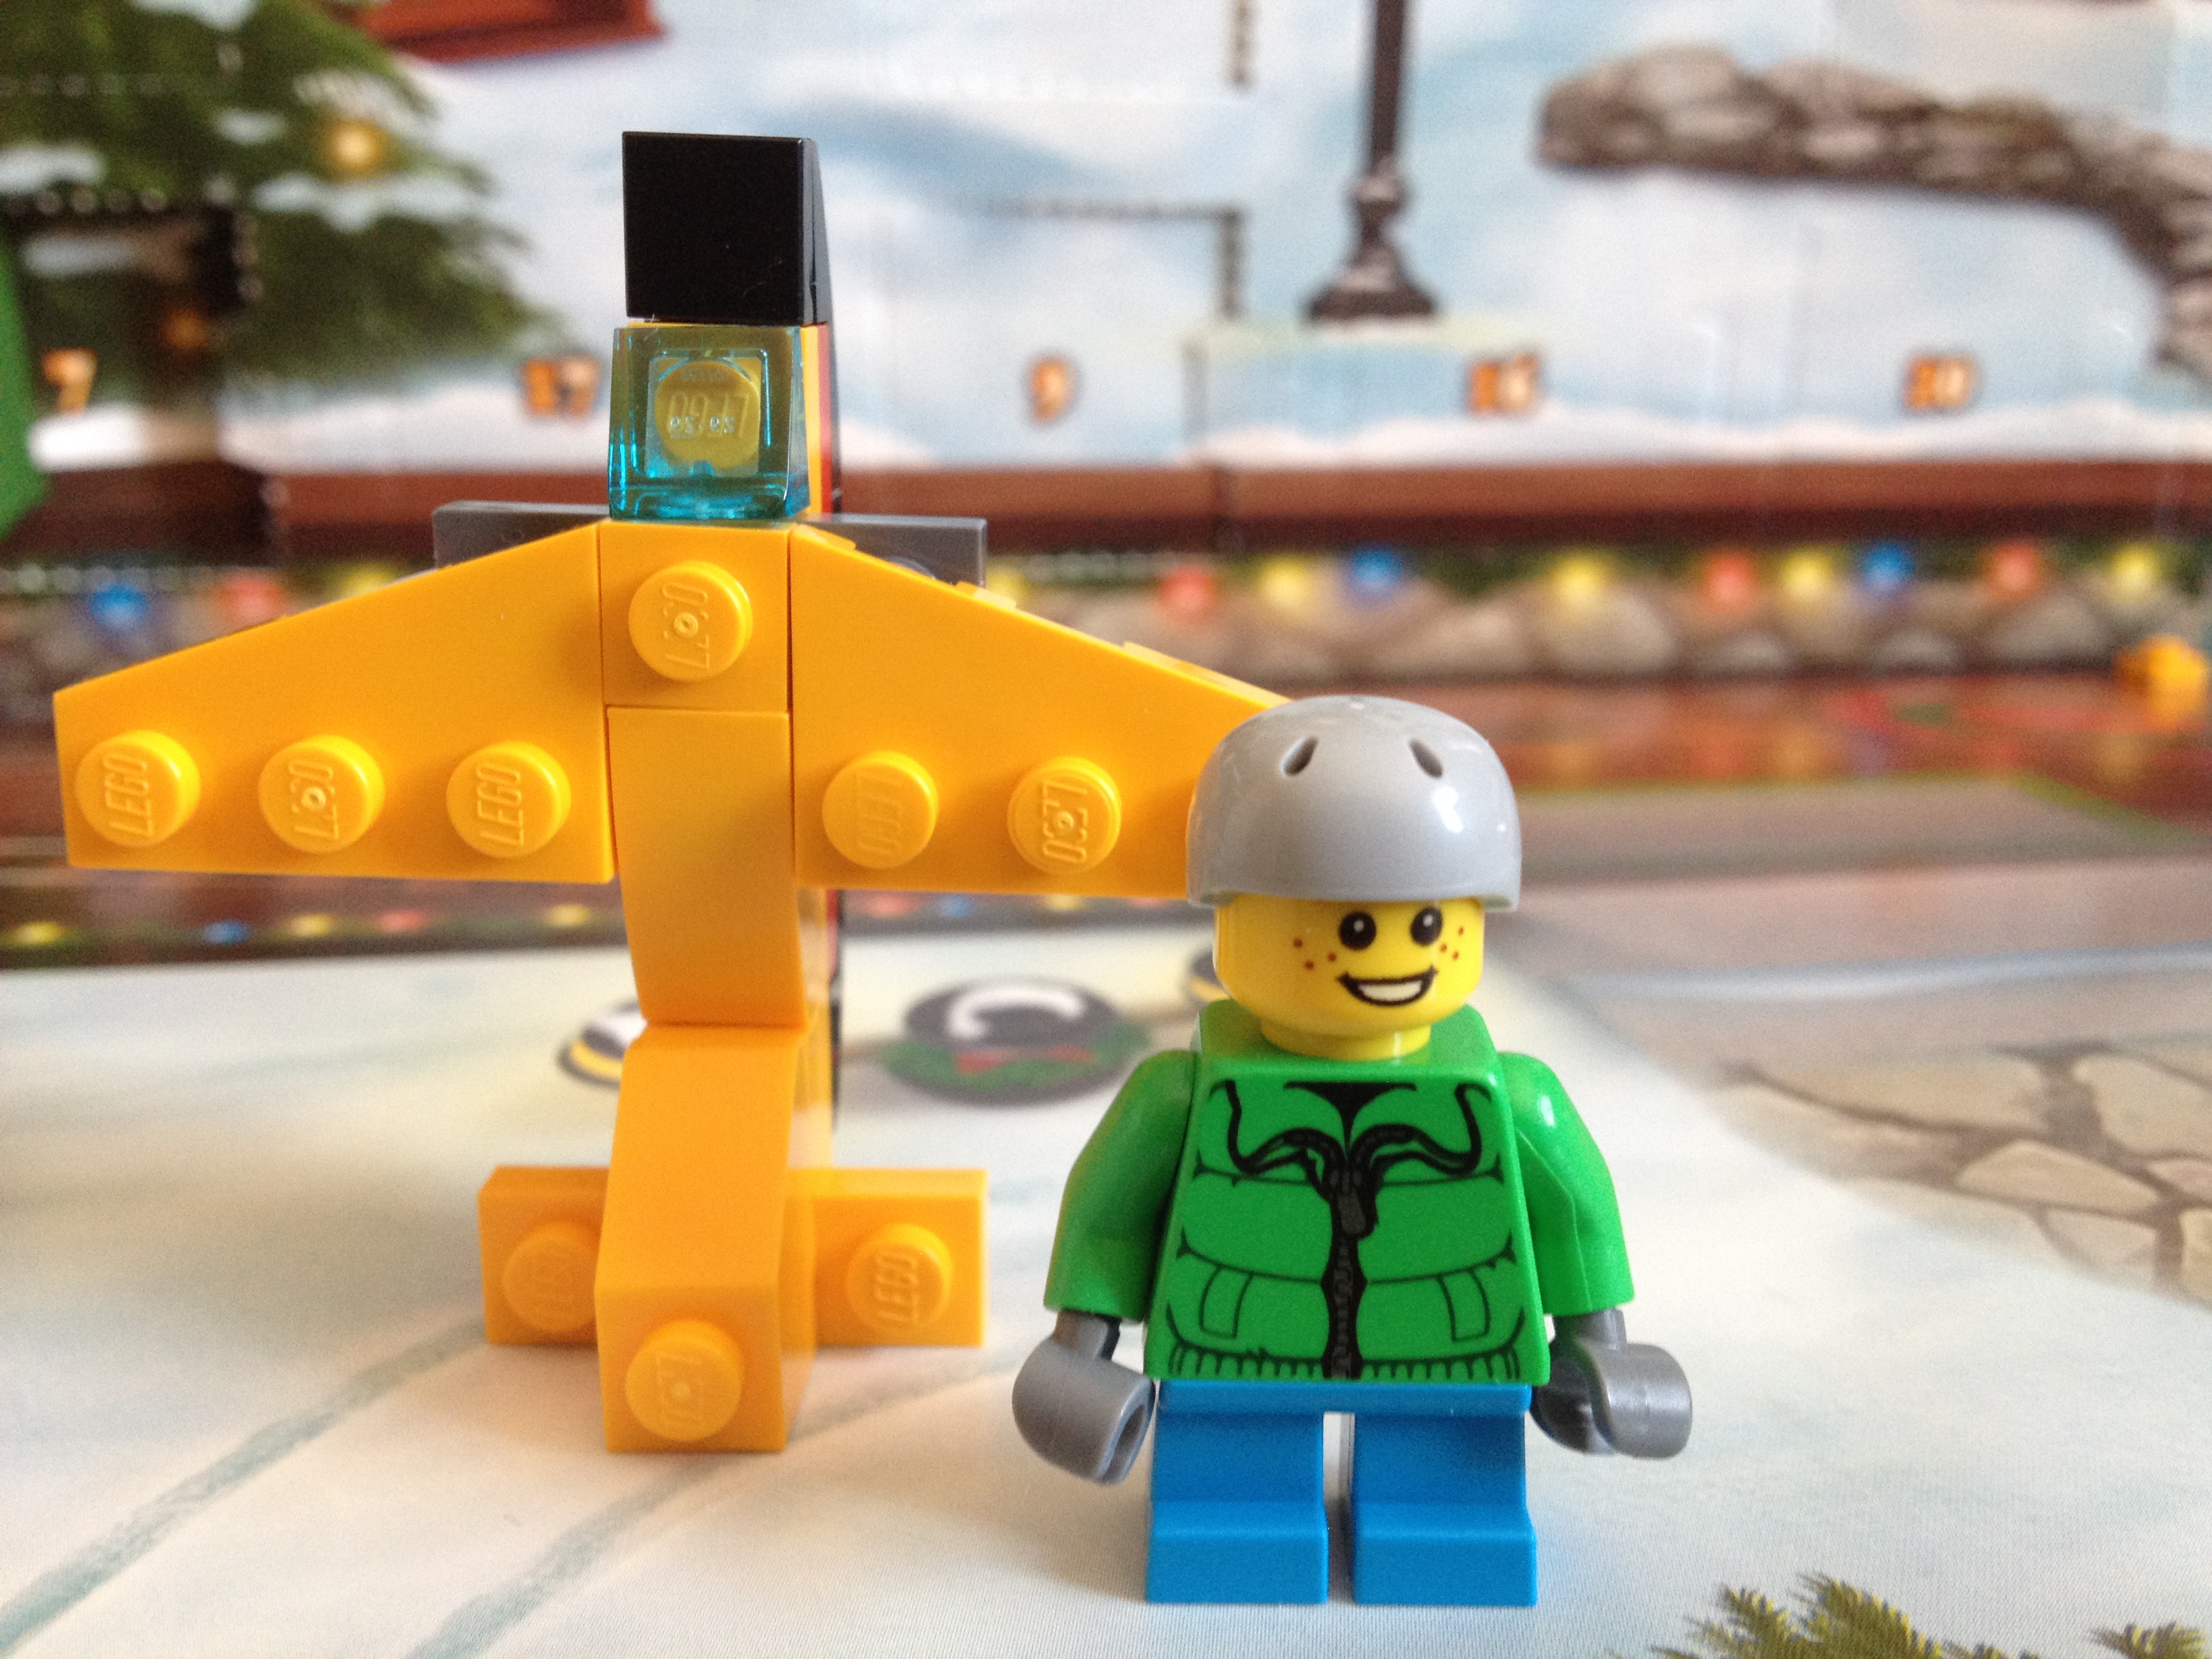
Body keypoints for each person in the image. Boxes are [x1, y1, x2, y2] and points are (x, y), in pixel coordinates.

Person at [1012, 695, 1689, 1605]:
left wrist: (1597, 1341)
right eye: (1353, 928)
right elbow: (1112, 1214)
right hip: (1237, 1343)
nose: (1389, 955)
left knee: (1447, 1497)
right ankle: (1235, 1530)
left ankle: (1443, 1530)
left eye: (1426, 925)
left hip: (1450, 1350)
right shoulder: (1180, 1095)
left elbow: (1574, 1208)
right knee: (1232, 1497)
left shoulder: (1514, 1095)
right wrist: (1079, 1348)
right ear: (1232, 914)